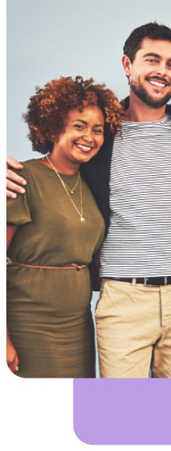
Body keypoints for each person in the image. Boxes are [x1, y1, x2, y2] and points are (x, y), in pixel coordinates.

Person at [7, 22, 171, 378]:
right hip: (123, 297)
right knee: (121, 418)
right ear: (127, 65)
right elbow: (51, 163)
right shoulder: (100, 132)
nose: (162, 71)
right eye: (152, 60)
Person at [7, 76, 123, 377]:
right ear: (54, 125)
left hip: (78, 325)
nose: (90, 137)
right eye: (79, 126)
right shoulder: (22, 178)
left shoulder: (93, 184)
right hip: (27, 323)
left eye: (98, 130)